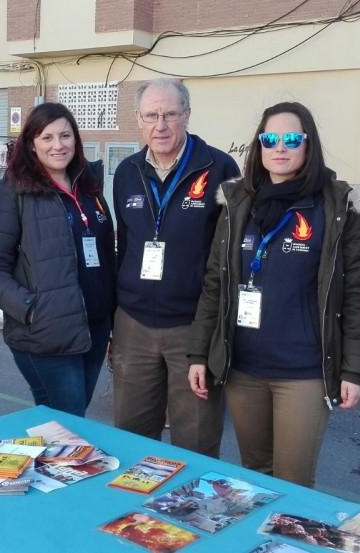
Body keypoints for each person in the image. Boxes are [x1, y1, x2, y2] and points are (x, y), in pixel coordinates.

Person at [186, 101, 360, 487]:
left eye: (291, 139)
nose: (280, 147)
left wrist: (355, 369)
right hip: (243, 368)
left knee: (293, 482)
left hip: (303, 372)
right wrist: (198, 353)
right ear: (259, 145)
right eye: (270, 139)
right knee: (255, 476)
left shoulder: (336, 206)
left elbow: (358, 293)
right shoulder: (237, 203)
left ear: (308, 144)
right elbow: (215, 285)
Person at [111, 78, 239, 456]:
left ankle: (191, 496)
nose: (161, 125)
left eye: (170, 114)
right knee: (132, 438)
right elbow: (125, 246)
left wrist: (217, 327)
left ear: (187, 114)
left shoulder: (220, 168)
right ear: (139, 119)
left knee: (195, 442)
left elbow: (230, 257)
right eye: (151, 116)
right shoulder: (128, 172)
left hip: (193, 326)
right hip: (134, 324)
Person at [0, 103, 116, 417]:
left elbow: (105, 254)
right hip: (46, 333)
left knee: (65, 422)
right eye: (47, 137)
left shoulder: (89, 186)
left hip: (94, 329)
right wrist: (32, 310)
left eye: (65, 136)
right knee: (69, 421)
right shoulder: (12, 191)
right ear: (32, 144)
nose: (58, 145)